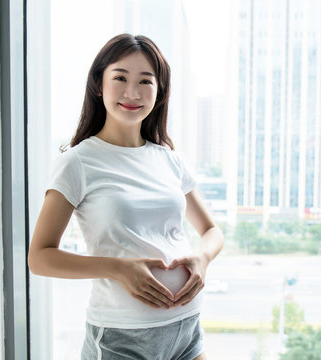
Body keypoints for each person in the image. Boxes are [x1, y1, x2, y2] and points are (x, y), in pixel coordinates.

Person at [28, 33, 224, 360]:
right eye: (120, 77)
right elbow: (40, 257)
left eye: (145, 81)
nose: (132, 92)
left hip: (187, 328)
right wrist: (118, 268)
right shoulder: (77, 163)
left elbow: (212, 232)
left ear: (159, 92)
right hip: (122, 337)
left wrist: (202, 258)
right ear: (98, 84)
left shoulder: (168, 159)